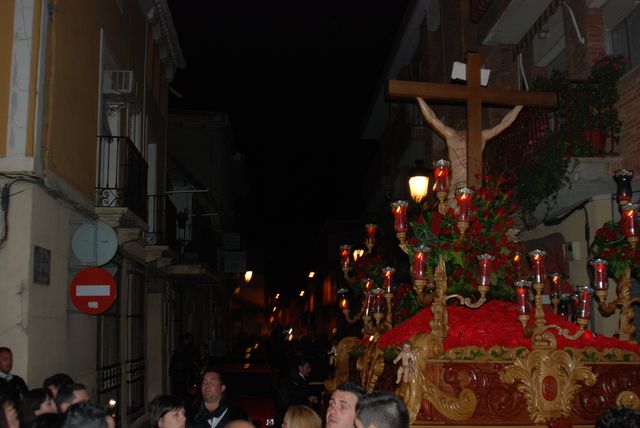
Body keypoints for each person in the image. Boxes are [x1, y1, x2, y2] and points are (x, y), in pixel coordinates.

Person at [415, 98, 523, 192]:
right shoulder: (451, 135)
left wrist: (520, 106)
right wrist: (419, 98)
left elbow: (504, 124)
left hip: (475, 187)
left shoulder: (481, 136)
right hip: (455, 186)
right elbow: (432, 119)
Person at [276, 357, 312, 425]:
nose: (310, 370)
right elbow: (287, 403)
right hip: (294, 418)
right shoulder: (292, 383)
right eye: (307, 367)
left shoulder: (298, 381)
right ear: (300, 368)